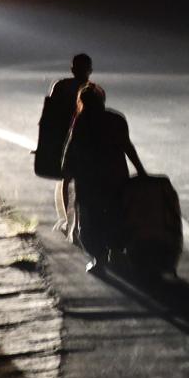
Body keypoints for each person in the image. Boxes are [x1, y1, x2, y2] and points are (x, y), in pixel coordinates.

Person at [62, 83, 147, 271]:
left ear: (81, 103)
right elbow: (128, 147)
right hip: (116, 181)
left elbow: (69, 161)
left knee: (91, 225)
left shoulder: (80, 123)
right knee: (117, 217)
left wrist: (70, 217)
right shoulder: (116, 119)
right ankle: (115, 252)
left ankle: (99, 259)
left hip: (89, 186)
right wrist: (141, 171)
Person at [48, 54, 93, 237]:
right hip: (85, 142)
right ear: (90, 70)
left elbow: (49, 117)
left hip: (68, 141)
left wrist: (46, 144)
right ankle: (76, 221)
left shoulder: (60, 86)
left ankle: (68, 220)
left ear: (72, 69)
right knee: (82, 182)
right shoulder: (95, 91)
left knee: (66, 180)